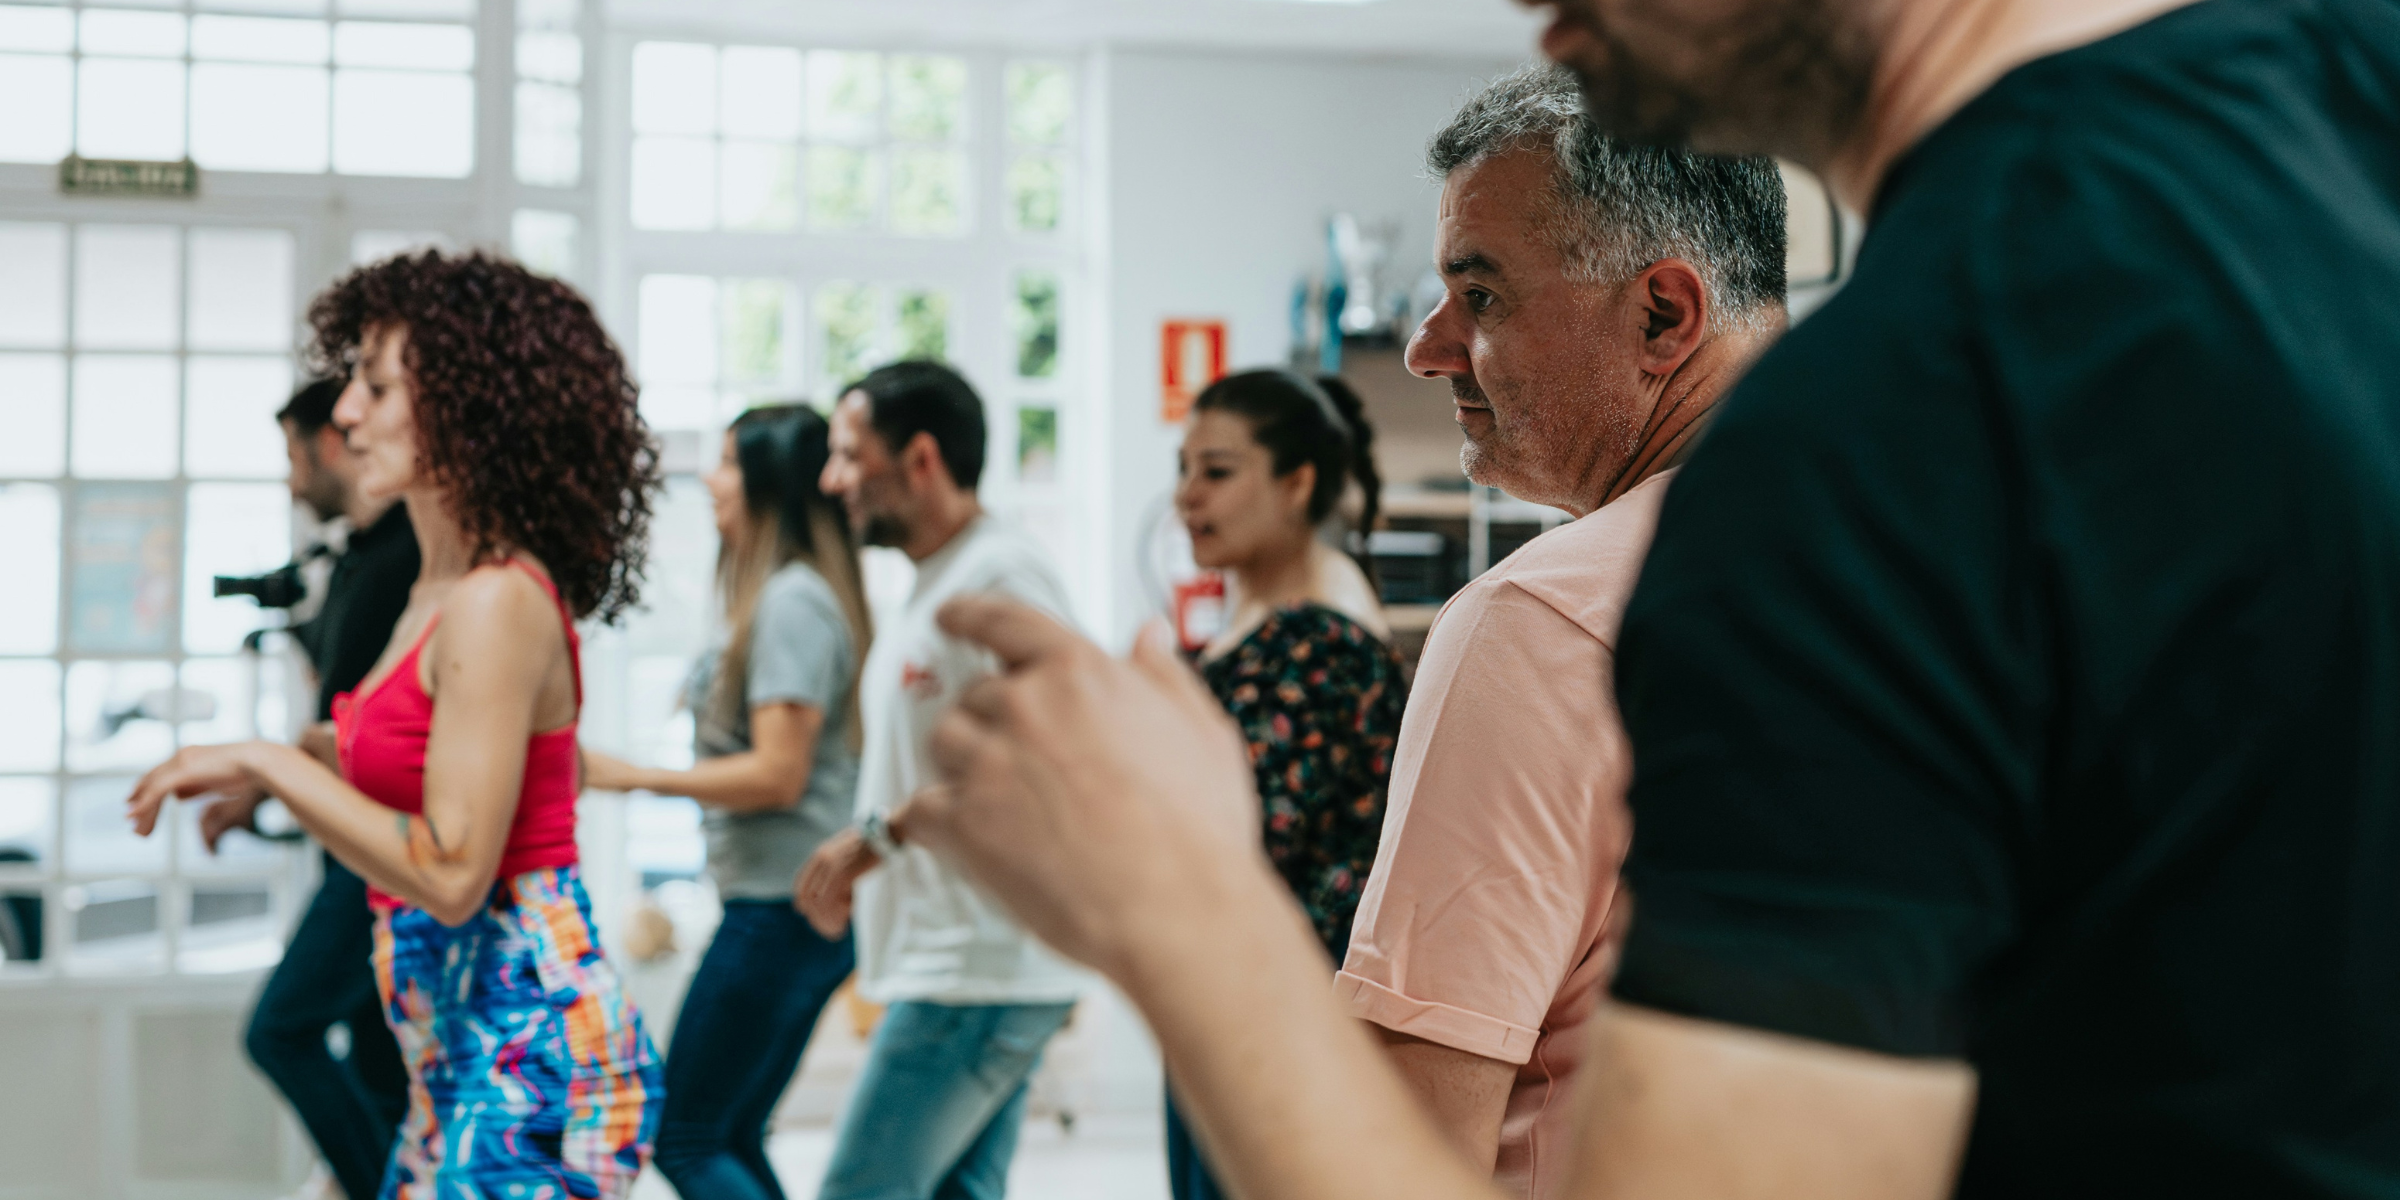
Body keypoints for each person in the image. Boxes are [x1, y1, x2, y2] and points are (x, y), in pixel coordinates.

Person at [884, 0, 2400, 1197]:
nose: (1533, 11)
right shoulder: (2342, 109)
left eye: (1478, 295)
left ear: (1664, 310)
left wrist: (1176, 907)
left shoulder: (1869, 450)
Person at [1331, 66, 1785, 1199]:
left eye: (1479, 297)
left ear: (1662, 314)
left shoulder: (1544, 626)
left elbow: (1401, 1158)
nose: (1428, 349)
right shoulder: (1952, 566)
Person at [128, 249, 666, 1198]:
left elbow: (454, 873)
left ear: (469, 403)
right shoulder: (435, 585)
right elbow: (410, 761)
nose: (344, 414)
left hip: (527, 1043)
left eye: (375, 388)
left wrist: (264, 756)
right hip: (456, 1039)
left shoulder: (497, 600)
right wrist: (277, 766)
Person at [791, 361, 1083, 1200]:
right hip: (969, 963)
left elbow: (1059, 763)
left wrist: (885, 832)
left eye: (850, 455)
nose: (831, 477)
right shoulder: (940, 579)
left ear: (920, 459)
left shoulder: (999, 577)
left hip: (977, 970)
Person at [581, 403, 874, 1200]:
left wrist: (628, 775)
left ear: (770, 486)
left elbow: (779, 773)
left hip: (781, 910)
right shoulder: (781, 598)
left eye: (729, 464)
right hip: (780, 907)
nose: (710, 480)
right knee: (729, 1132)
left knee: (684, 1134)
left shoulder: (791, 604)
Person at [1166, 369, 1407, 1200]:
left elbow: (1239, 844)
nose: (1188, 497)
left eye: (1218, 472)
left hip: (1276, 1016)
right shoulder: (1263, 617)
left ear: (1297, 483)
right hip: (1239, 1006)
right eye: (1184, 469)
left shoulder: (1316, 638)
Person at [200, 377, 418, 1200]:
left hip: (387, 856)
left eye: (295, 453)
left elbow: (355, 730)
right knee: (377, 1067)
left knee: (281, 1029)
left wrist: (258, 779)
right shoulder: (359, 560)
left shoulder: (409, 565)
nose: (293, 478)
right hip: (354, 847)